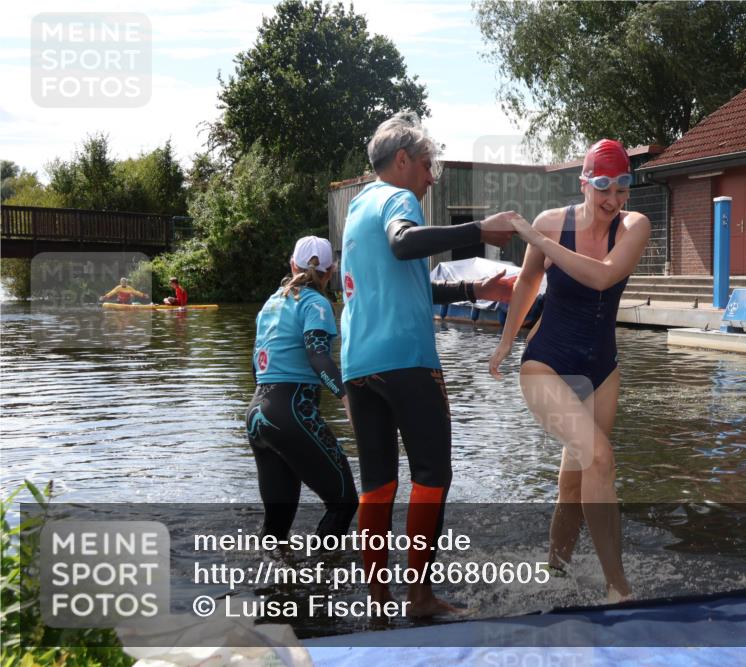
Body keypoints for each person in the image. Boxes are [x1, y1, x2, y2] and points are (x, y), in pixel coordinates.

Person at [340, 110, 516, 617]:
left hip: (359, 364)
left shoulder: (357, 211)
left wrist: (471, 288)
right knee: (432, 475)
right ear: (401, 160)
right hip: (407, 359)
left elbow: (405, 278)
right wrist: (479, 229)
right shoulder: (398, 200)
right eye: (426, 165)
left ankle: (378, 602)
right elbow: (403, 243)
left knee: (377, 483)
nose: (431, 177)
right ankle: (419, 596)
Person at [489, 139, 650, 603]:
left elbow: (602, 275)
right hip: (546, 363)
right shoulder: (553, 223)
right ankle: (619, 589)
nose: (614, 200)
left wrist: (538, 242)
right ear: (584, 184)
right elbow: (526, 283)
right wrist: (504, 343)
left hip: (602, 367)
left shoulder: (635, 226)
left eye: (623, 188)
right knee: (600, 458)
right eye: (604, 188)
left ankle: (554, 570)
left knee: (577, 477)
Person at [246, 236, 358, 540]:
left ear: (292, 264)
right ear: (330, 271)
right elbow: (317, 355)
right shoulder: (316, 304)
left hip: (258, 415)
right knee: (344, 503)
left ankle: (275, 584)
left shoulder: (271, 303)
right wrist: (346, 398)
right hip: (291, 412)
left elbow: (256, 365)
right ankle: (322, 577)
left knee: (276, 529)